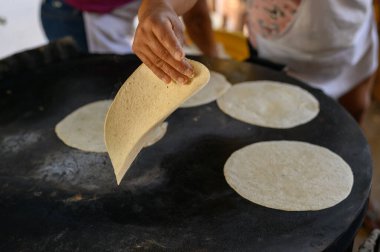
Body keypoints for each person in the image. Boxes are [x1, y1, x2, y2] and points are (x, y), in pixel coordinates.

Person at [132, 0, 378, 124]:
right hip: (277, 56)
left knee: (352, 114)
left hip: (352, 40)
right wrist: (158, 7)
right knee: (284, 124)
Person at [40, 0, 217, 57]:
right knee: (100, 94)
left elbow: (197, 16)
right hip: (78, 14)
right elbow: (197, 18)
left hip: (117, 10)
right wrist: (159, 6)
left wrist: (215, 60)